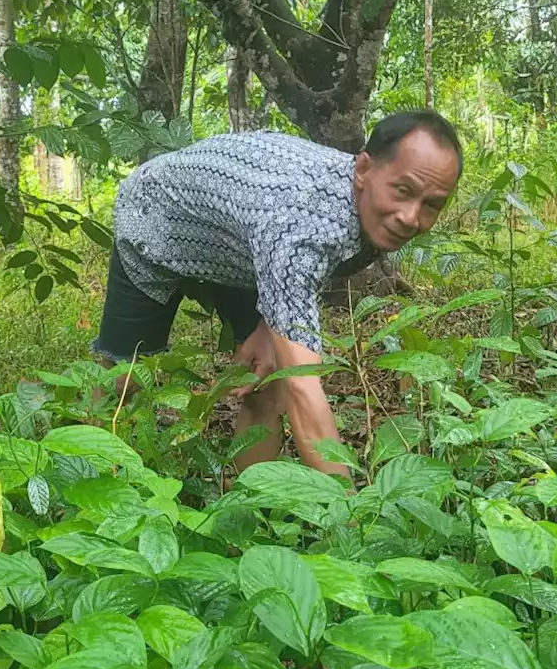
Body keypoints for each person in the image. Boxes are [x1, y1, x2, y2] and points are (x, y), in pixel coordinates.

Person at [92, 110, 463, 479]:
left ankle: (248, 518)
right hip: (157, 215)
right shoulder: (300, 227)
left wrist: (270, 330)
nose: (411, 217)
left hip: (239, 245)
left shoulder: (355, 205)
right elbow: (302, 385)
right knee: (125, 379)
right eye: (404, 191)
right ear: (363, 169)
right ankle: (89, 478)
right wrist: (350, 518)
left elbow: (298, 276)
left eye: (431, 204)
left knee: (264, 380)